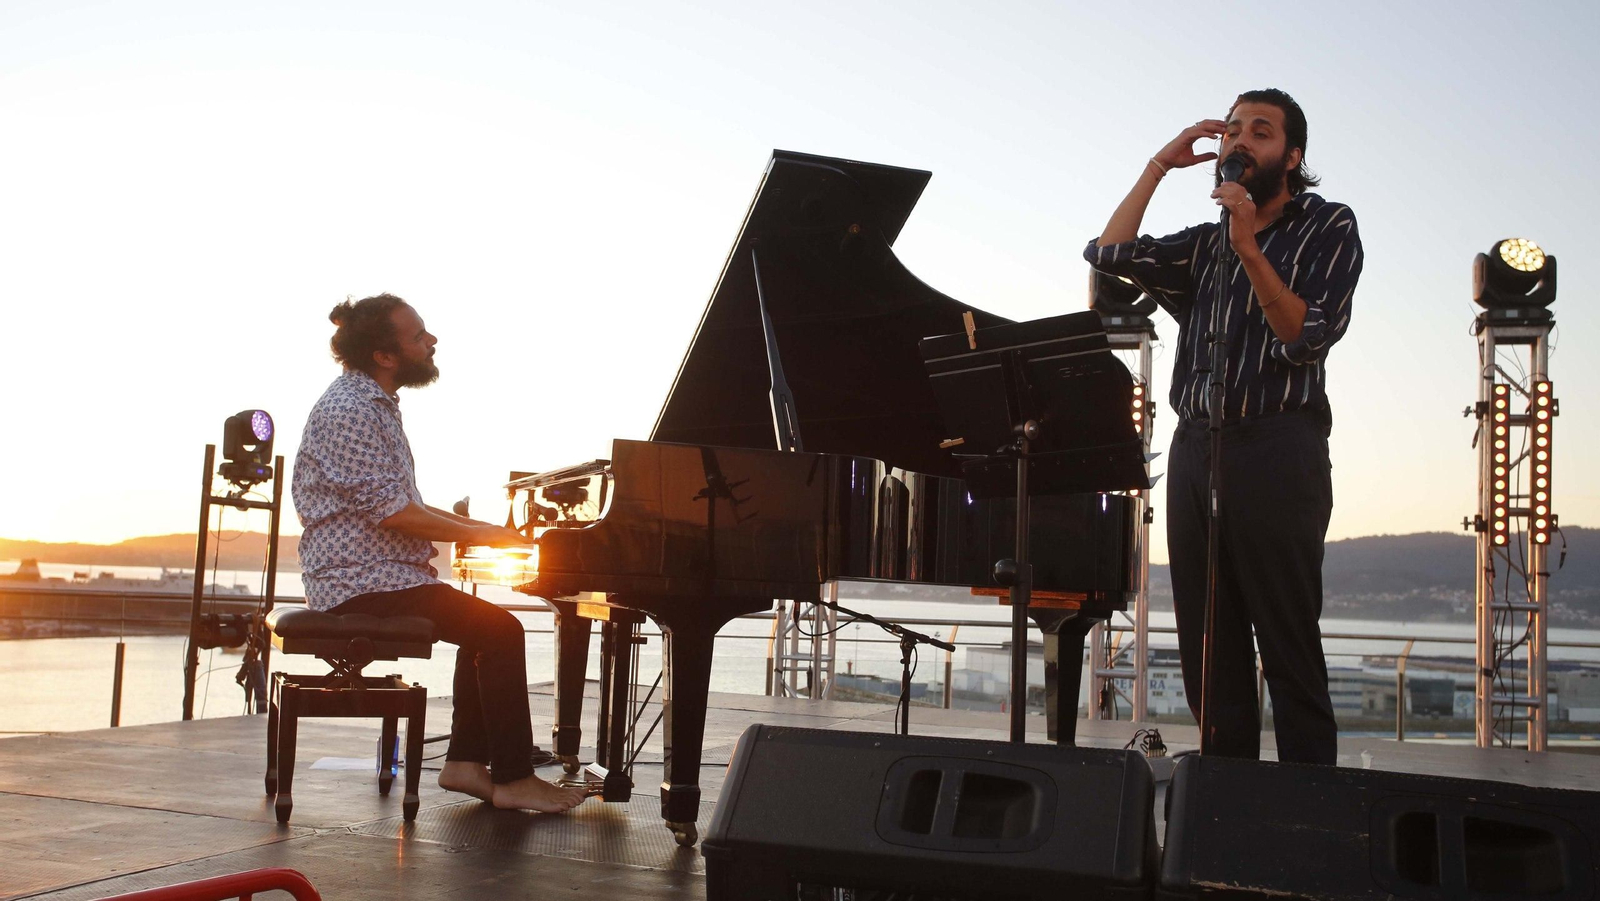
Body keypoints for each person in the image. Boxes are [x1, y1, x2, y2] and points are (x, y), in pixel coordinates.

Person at [1084, 89, 1362, 765]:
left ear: (1292, 156)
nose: (1240, 141)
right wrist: (1159, 166)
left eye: (1260, 132)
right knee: (1211, 647)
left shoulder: (1327, 227)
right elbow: (1109, 254)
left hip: (1277, 445)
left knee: (1288, 642)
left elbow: (1303, 337)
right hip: (1196, 446)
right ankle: (1224, 810)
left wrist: (1249, 248)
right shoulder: (1203, 245)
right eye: (1232, 129)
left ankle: (1307, 818)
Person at [292, 292, 588, 812]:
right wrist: (482, 533)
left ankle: (466, 764)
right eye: (418, 336)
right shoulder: (351, 409)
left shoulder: (372, 404)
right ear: (385, 356)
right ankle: (512, 776)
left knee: (484, 628)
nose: (431, 342)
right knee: (499, 629)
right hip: (358, 583)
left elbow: (403, 506)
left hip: (381, 575)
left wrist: (481, 529)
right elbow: (395, 513)